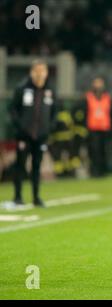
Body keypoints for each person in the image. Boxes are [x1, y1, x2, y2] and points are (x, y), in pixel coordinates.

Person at [8, 59, 57, 207]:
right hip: (24, 135)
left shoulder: (50, 90)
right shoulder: (22, 88)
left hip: (41, 135)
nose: (40, 74)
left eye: (43, 70)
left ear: (47, 73)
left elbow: (55, 111)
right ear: (32, 72)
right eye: (37, 70)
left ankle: (36, 197)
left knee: (37, 166)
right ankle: (17, 196)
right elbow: (12, 109)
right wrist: (20, 126)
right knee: (20, 165)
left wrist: (49, 127)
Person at [85, 77, 111, 177]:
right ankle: (94, 171)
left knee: (104, 151)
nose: (98, 85)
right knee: (94, 151)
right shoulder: (89, 97)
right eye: (96, 83)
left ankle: (103, 171)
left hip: (104, 128)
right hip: (93, 128)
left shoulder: (107, 97)